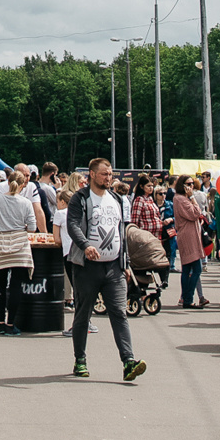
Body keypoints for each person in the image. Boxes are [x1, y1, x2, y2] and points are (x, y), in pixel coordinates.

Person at [63, 158, 146, 381]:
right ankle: (80, 360)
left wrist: (125, 264)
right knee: (83, 313)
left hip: (113, 268)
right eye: (103, 174)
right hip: (87, 267)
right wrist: (86, 246)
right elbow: (72, 225)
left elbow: (122, 232)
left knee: (119, 313)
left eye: (110, 174)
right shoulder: (80, 199)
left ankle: (129, 361)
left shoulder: (117, 200)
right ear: (91, 174)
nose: (108, 178)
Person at [0, 165, 37, 334]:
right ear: (23, 185)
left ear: (7, 182)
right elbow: (32, 227)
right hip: (20, 245)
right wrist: (20, 226)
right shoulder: (26, 203)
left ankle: (0, 321)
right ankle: (11, 324)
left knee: (0, 286)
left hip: (0, 242)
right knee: (16, 286)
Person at [171, 179, 209, 308]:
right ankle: (188, 298)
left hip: (190, 234)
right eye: (188, 184)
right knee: (196, 269)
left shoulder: (181, 199)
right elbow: (196, 214)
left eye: (192, 183)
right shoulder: (180, 199)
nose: (191, 186)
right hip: (188, 236)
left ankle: (187, 298)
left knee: (187, 269)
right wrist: (192, 197)